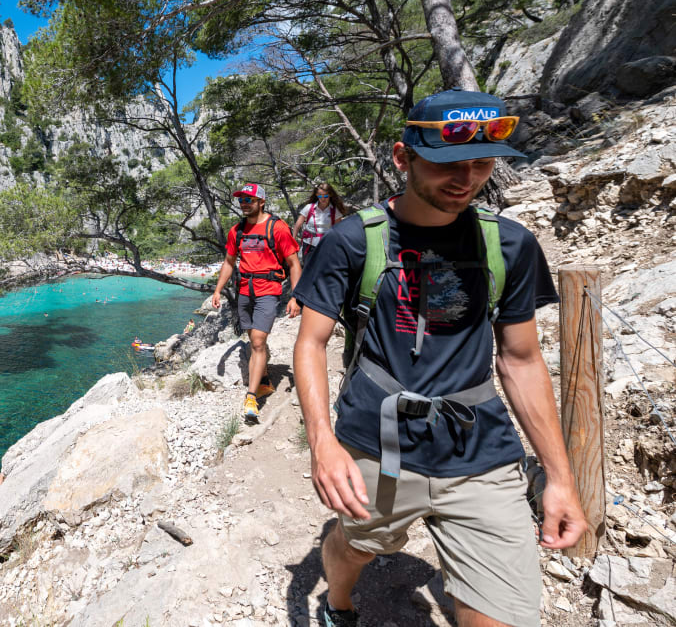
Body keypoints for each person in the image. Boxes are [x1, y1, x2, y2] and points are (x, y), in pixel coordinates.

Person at [293, 88, 587, 627]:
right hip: (376, 445)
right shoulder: (353, 240)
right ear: (403, 158)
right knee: (357, 547)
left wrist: (559, 476)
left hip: (481, 451)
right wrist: (322, 444)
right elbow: (311, 342)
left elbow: (520, 360)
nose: (467, 179)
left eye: (481, 164)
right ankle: (338, 602)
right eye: (448, 164)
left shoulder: (511, 245)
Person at [212, 182, 302, 422]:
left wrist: (296, 296)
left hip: (268, 291)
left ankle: (251, 398)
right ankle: (262, 381)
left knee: (259, 342)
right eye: (241, 200)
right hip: (245, 292)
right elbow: (230, 262)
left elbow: (294, 264)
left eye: (249, 200)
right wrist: (218, 290)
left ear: (261, 202)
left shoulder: (278, 228)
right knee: (253, 340)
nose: (244, 204)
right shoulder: (237, 231)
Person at [292, 183, 345, 264]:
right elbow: (297, 225)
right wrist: (293, 240)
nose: (323, 198)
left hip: (327, 245)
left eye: (326, 196)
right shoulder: (309, 208)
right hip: (309, 245)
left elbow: (339, 230)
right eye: (320, 196)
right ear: (317, 195)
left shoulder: (335, 211)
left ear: (330, 195)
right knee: (308, 269)